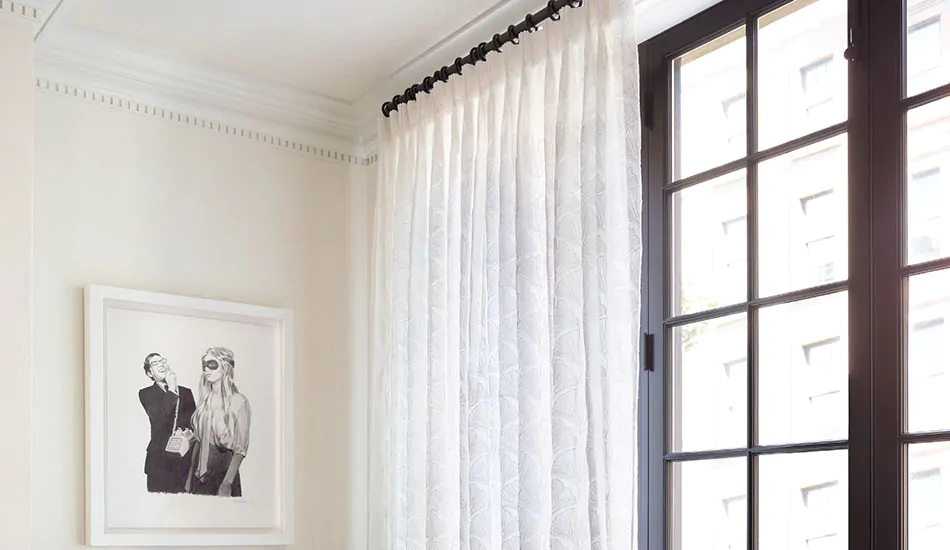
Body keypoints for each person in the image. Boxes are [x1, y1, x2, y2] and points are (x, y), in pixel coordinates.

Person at [188, 347, 251, 497]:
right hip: (199, 472)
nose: (206, 369)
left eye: (212, 364)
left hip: (223, 470)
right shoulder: (204, 400)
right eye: (204, 365)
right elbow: (199, 440)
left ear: (225, 366)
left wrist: (227, 483)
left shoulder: (239, 401)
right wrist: (190, 476)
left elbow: (241, 448)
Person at [138, 353, 197, 494]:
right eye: (155, 363)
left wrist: (187, 431)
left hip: (183, 462)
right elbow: (159, 419)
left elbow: (193, 422)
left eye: (163, 361)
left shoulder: (186, 392)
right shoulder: (146, 393)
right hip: (159, 464)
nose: (161, 364)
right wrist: (171, 389)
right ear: (149, 373)